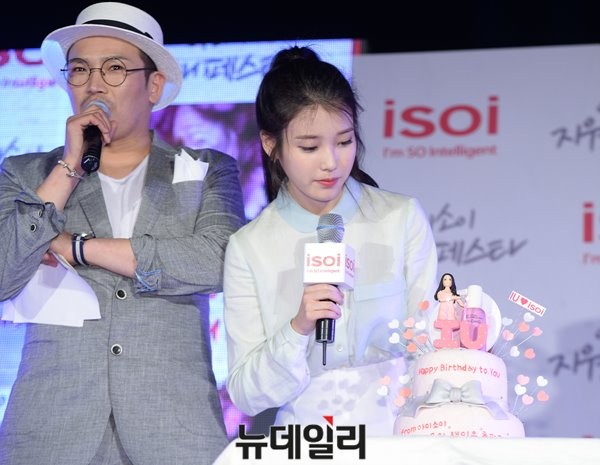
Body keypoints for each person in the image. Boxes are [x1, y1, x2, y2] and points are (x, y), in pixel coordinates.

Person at [0, 3, 245, 465]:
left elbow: (218, 261)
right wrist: (68, 167)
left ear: (154, 85)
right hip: (51, 433)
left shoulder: (208, 169)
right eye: (80, 69)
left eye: (114, 68)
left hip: (173, 431)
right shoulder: (25, 173)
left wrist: (75, 246)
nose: (94, 84)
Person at [222, 46, 438, 436]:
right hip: (306, 440)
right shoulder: (249, 247)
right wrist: (298, 327)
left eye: (344, 141)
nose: (331, 162)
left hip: (399, 434)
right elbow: (246, 395)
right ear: (271, 144)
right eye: (309, 147)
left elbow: (430, 344)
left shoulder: (400, 217)